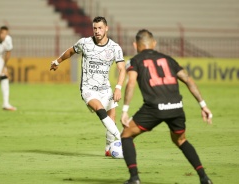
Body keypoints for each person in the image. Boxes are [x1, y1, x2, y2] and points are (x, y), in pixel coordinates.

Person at [120, 29, 213, 184]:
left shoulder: (135, 60)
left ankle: (134, 178)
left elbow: (130, 83)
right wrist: (203, 105)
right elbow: (189, 80)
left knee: (126, 134)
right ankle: (204, 178)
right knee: (181, 140)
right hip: (176, 107)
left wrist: (125, 110)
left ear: (135, 45)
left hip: (154, 108)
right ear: (154, 43)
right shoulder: (168, 59)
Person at [50, 16, 126, 156]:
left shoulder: (115, 48)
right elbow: (71, 51)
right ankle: (122, 139)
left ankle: (108, 149)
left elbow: (122, 69)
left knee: (112, 119)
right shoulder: (85, 43)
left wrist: (118, 88)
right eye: (95, 28)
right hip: (88, 89)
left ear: (106, 28)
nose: (97, 31)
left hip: (106, 89)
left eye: (100, 28)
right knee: (100, 109)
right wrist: (58, 61)